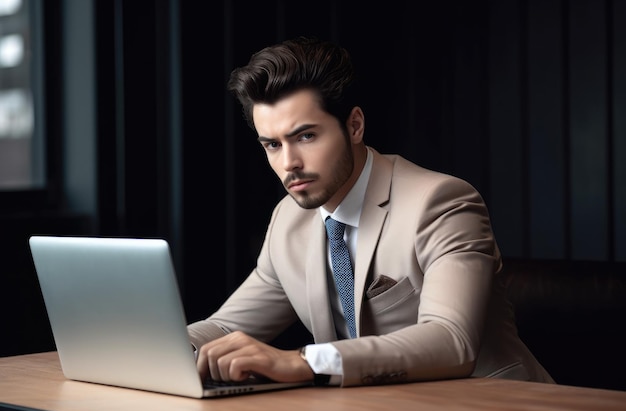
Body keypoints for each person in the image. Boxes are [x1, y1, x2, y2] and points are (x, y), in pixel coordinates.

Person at [187, 36, 555, 387]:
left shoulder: (441, 202)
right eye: (272, 144)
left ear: (354, 125)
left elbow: (451, 340)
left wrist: (302, 361)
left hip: (494, 403)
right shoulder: (289, 219)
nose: (289, 163)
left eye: (306, 136)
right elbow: (223, 329)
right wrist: (151, 345)